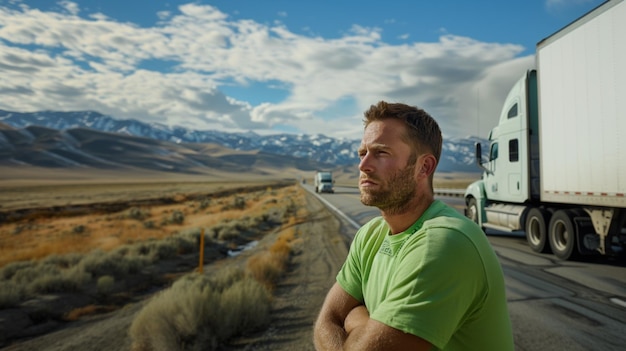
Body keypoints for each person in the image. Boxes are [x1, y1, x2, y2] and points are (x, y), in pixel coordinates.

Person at [313, 101, 514, 350]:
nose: (363, 166)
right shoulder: (370, 235)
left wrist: (356, 320)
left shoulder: (444, 243)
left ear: (424, 167)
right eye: (362, 153)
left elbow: (344, 326)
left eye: (381, 153)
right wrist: (364, 330)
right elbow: (327, 321)